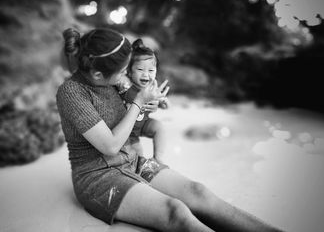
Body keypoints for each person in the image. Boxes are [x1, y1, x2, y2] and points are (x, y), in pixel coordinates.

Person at [56, 27, 284, 232]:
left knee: (198, 192)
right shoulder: (72, 93)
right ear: (97, 74)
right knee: (175, 212)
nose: (127, 75)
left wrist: (148, 103)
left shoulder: (111, 80)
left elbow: (132, 119)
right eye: (124, 70)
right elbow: (110, 145)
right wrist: (137, 103)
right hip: (98, 178)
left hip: (133, 161)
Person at [117, 38, 169, 163]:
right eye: (140, 70)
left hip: (142, 125)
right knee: (138, 155)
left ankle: (158, 159)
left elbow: (163, 102)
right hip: (127, 134)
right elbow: (118, 76)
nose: (146, 75)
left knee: (159, 127)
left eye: (151, 70)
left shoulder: (152, 88)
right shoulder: (127, 85)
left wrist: (163, 102)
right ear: (129, 71)